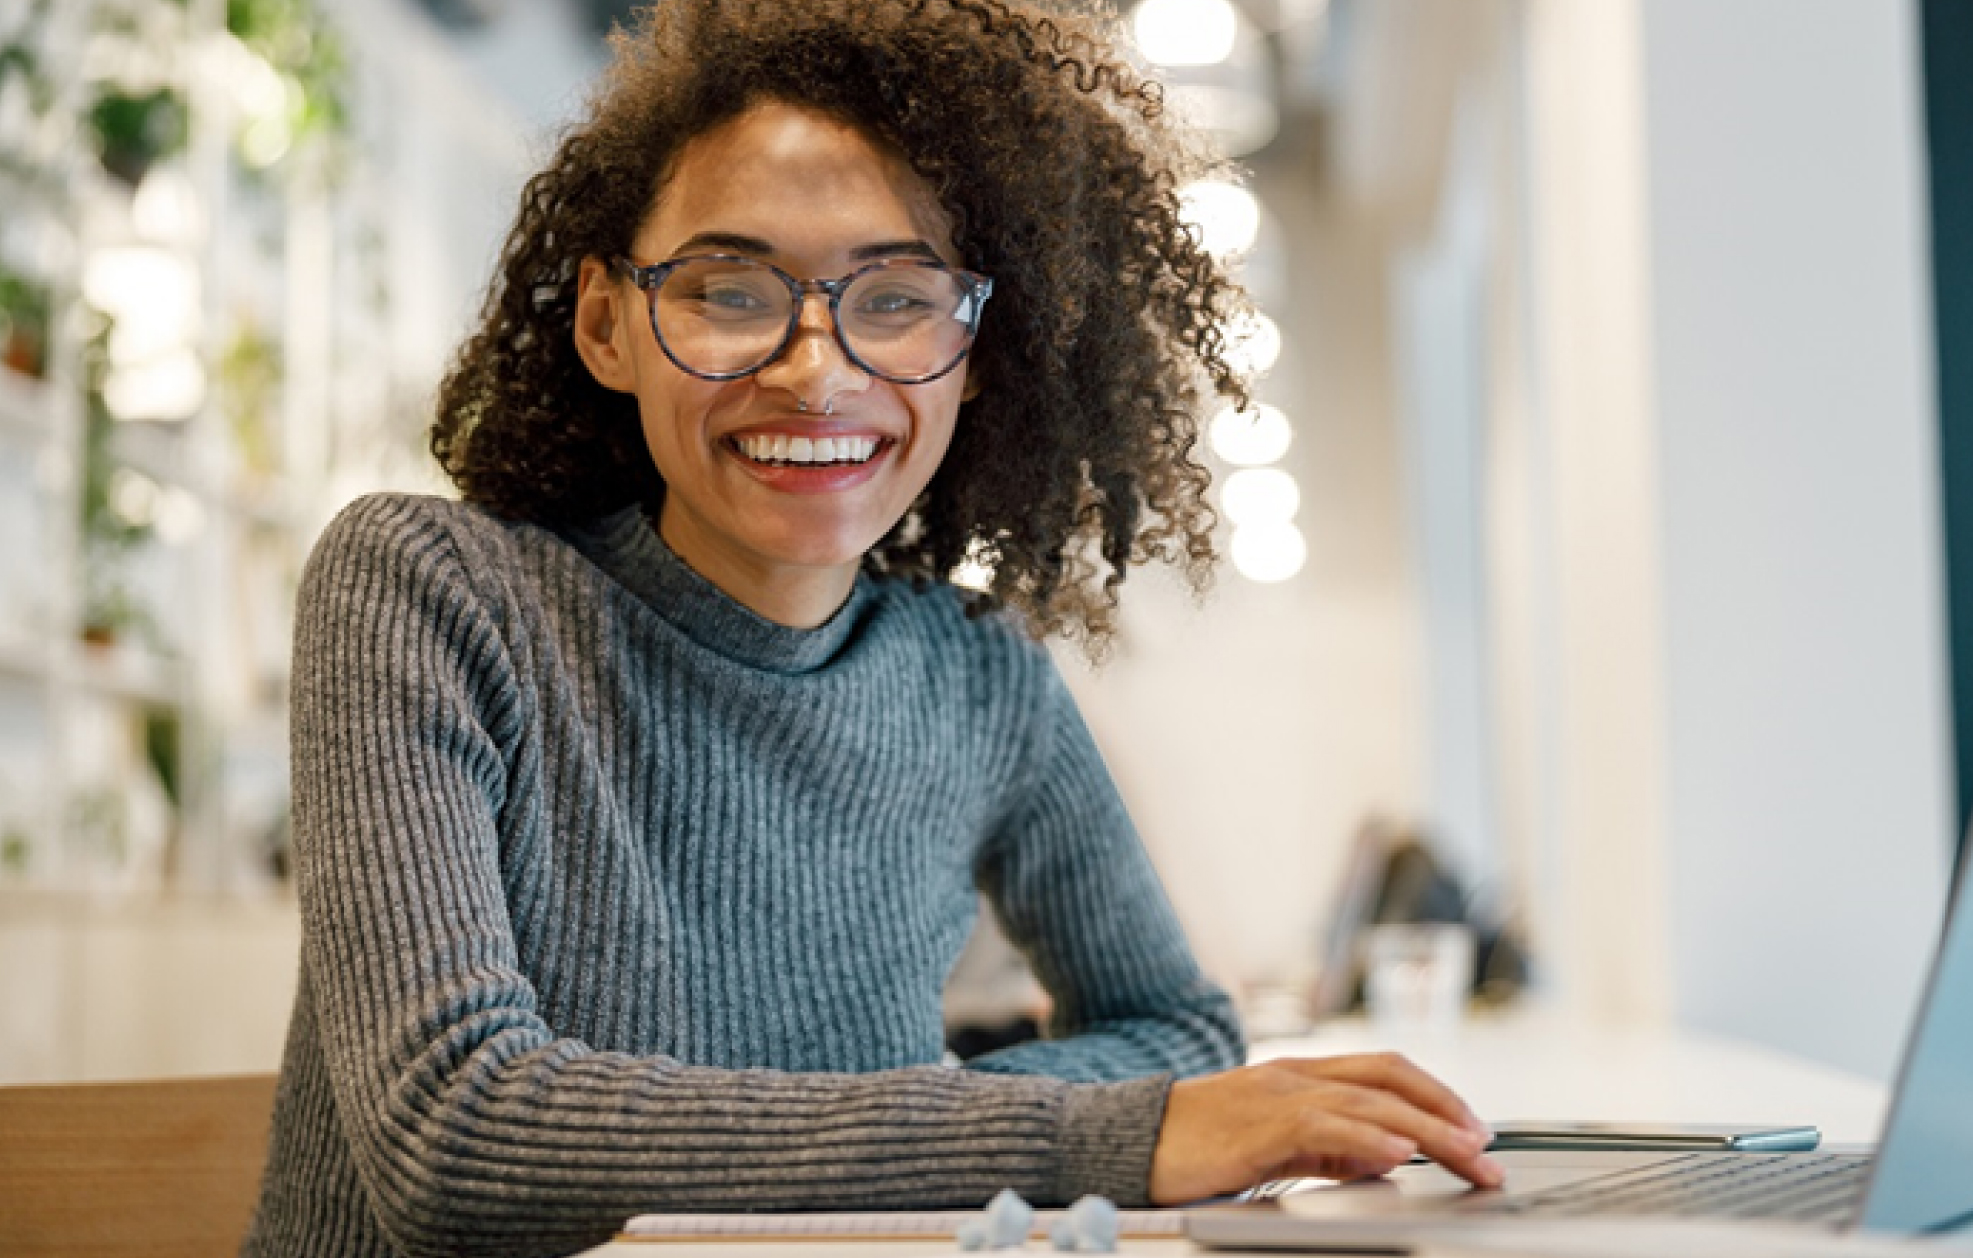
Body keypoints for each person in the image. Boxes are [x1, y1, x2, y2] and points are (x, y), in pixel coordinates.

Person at [242, 2, 1501, 1255]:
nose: (816, 367)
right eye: (730, 288)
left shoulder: (979, 675)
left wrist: (930, 1126)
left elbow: (1177, 1031)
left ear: (973, 354)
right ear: (606, 324)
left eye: (895, 298)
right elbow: (456, 1137)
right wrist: (1078, 1137)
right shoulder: (429, 588)